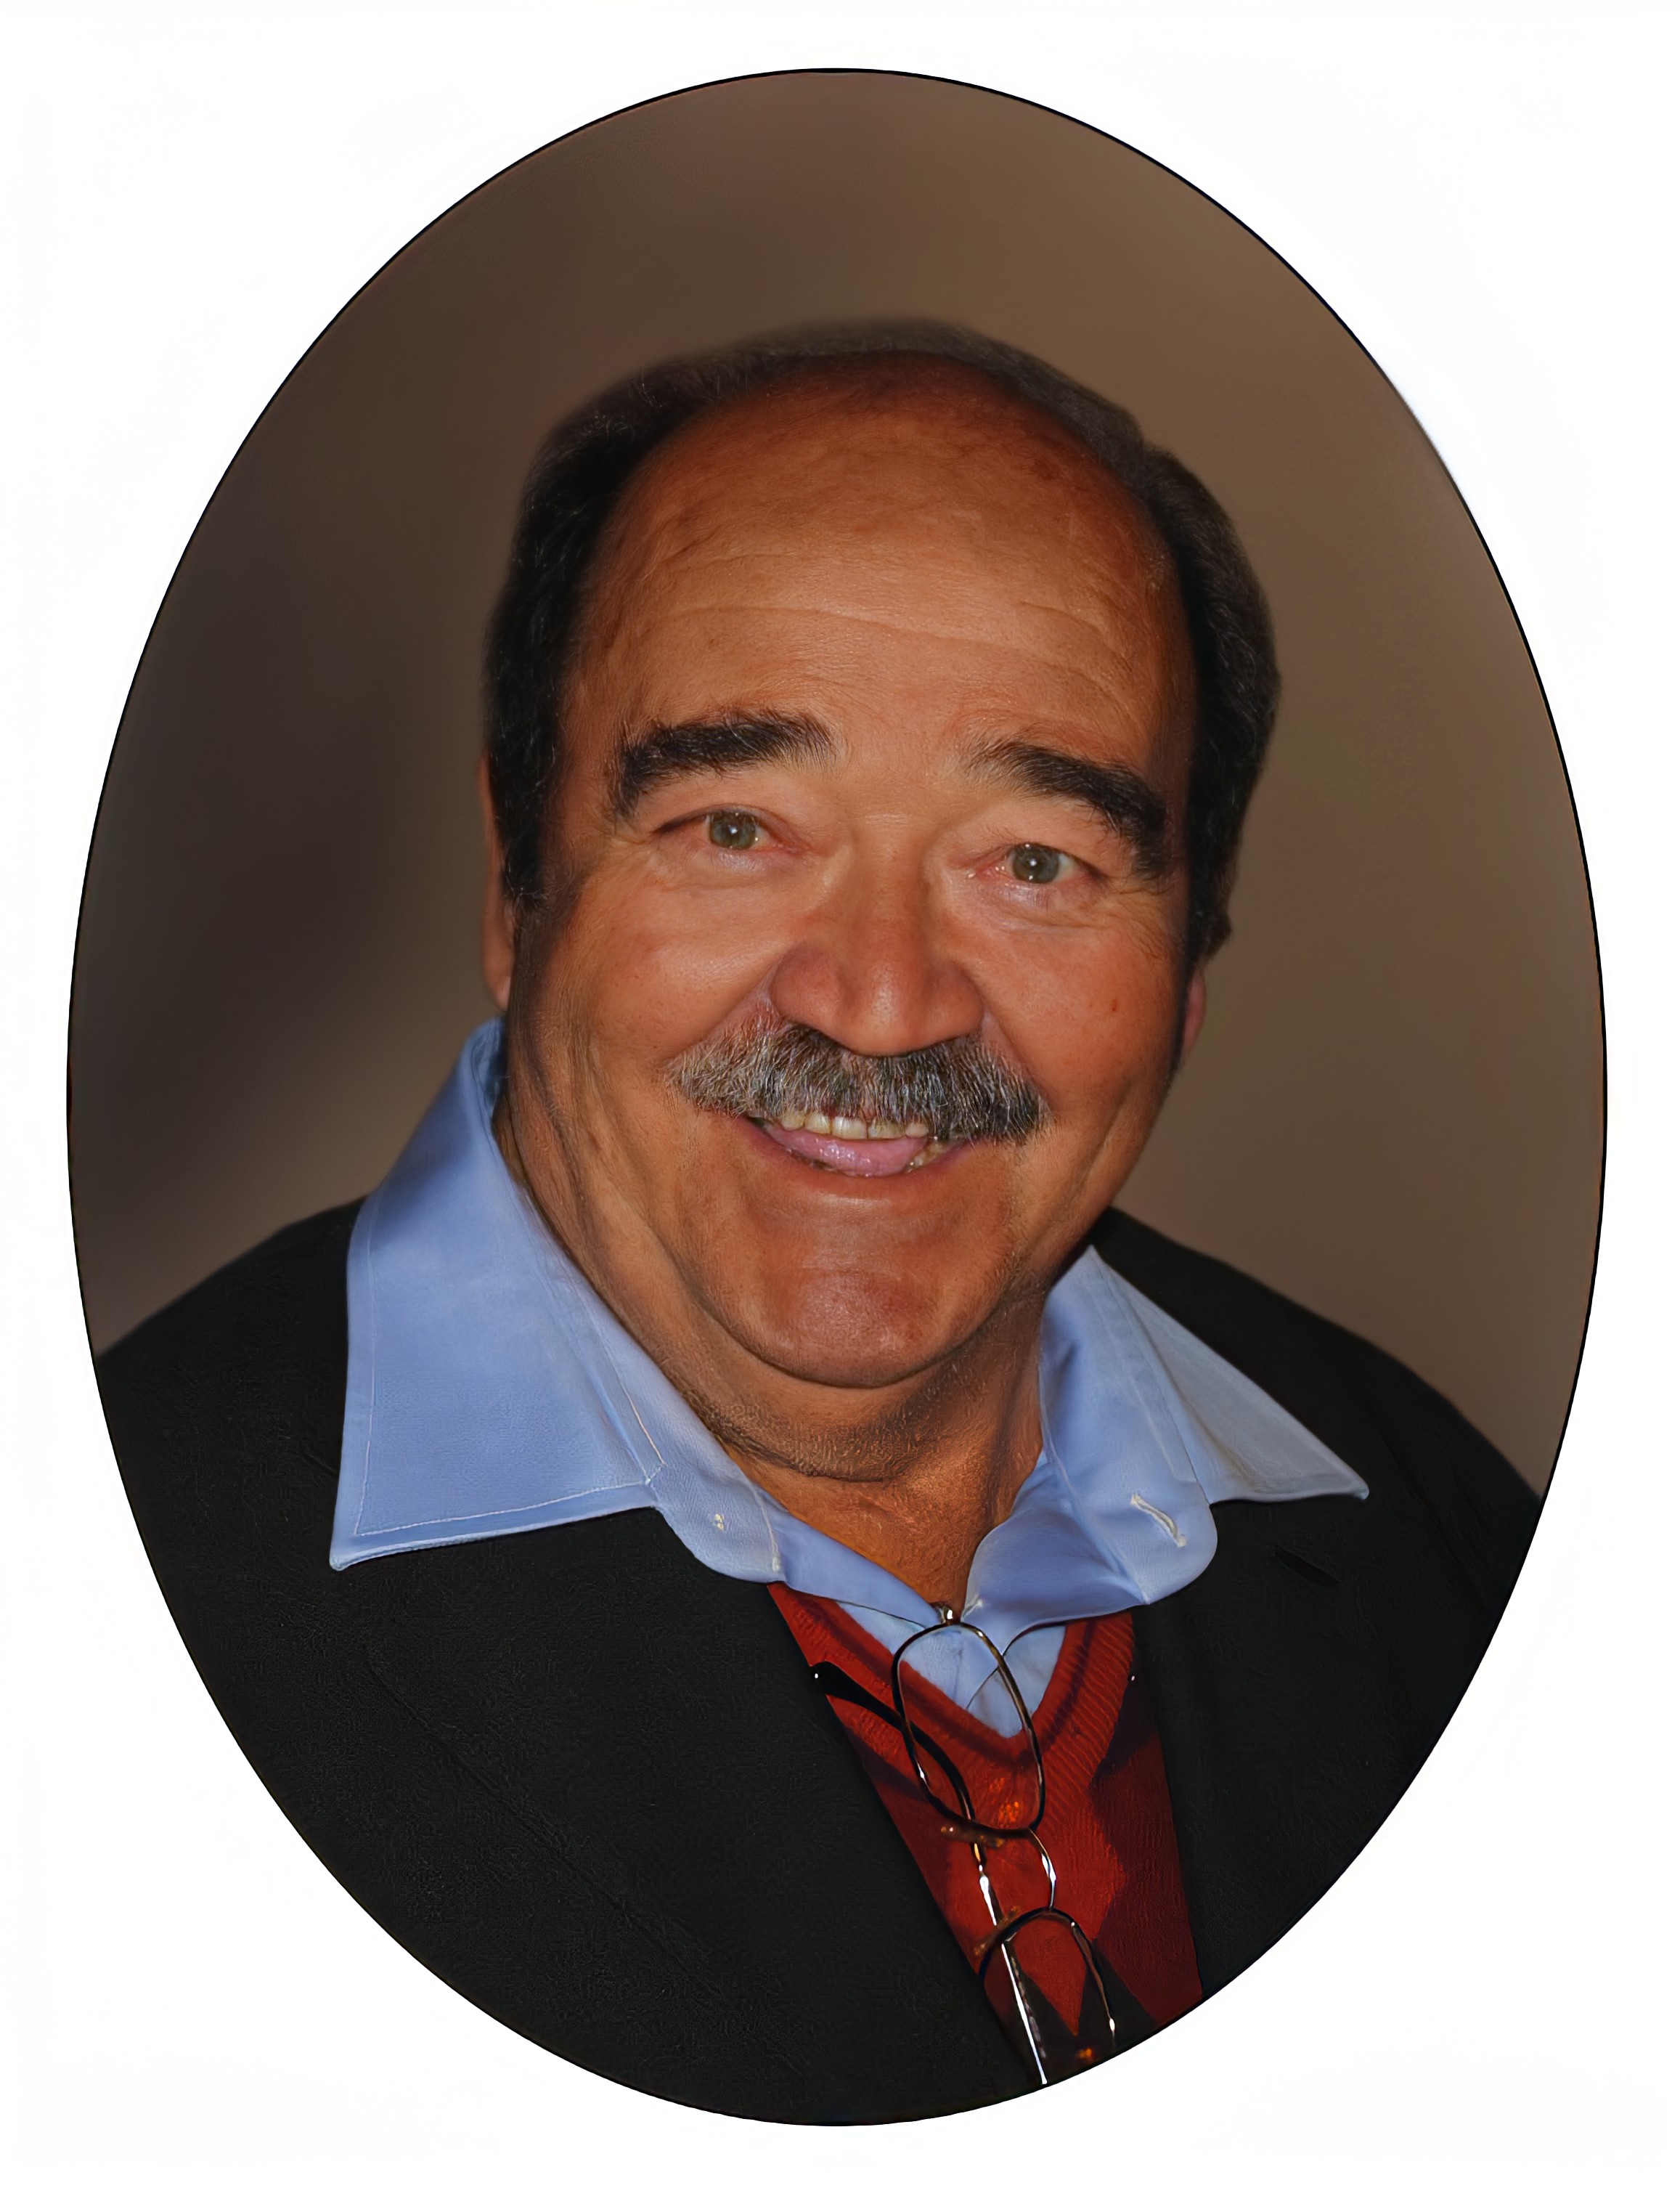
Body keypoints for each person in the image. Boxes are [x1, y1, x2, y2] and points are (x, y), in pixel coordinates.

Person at [97, 323, 1538, 2123]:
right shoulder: (91, 1627)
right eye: (735, 827)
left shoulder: (1453, 1557)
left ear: (1188, 963)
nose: (879, 1000)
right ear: (516, 881)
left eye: (1035, 861)